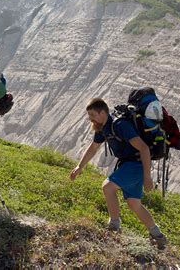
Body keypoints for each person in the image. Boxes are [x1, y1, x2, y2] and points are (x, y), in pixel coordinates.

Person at [69, 98, 168, 249]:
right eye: (89, 115)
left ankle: (114, 226)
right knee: (134, 204)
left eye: (92, 115)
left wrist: (147, 177)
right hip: (129, 165)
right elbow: (94, 147)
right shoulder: (103, 127)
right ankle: (158, 236)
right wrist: (79, 166)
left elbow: (144, 148)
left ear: (103, 112)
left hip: (135, 165)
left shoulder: (120, 125)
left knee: (107, 187)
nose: (90, 119)